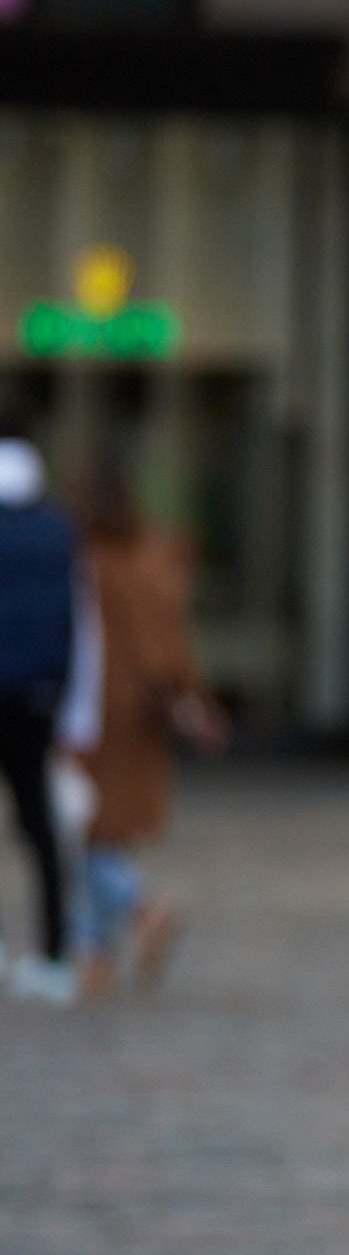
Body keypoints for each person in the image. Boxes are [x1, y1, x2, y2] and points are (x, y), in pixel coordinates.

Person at [68, 455, 224, 998]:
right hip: (140, 712)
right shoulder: (152, 557)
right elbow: (173, 643)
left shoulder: (87, 559)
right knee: (104, 830)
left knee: (85, 830)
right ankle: (94, 954)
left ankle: (139, 907)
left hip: (93, 711)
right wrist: (196, 700)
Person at [0, 411, 79, 1005]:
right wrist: (76, 707)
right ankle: (55, 955)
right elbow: (85, 623)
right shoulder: (58, 528)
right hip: (37, 696)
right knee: (40, 827)